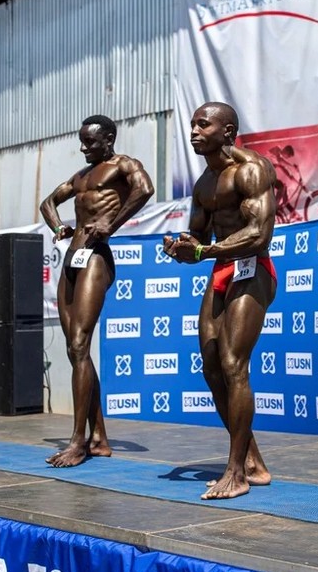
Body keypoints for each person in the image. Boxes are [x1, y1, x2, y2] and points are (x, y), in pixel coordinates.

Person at [164, 102, 278, 500]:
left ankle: (236, 474)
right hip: (222, 273)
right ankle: (253, 462)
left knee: (233, 364)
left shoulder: (252, 169)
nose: (193, 130)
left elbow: (259, 234)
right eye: (192, 124)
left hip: (253, 269)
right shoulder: (203, 185)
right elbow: (198, 238)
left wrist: (205, 253)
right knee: (212, 367)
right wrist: (181, 246)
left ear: (227, 131)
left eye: (203, 124)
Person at [40, 114, 154, 467]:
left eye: (90, 141)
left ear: (108, 138)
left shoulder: (123, 165)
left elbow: (145, 189)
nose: (83, 147)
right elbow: (48, 203)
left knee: (79, 344)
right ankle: (99, 437)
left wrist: (112, 222)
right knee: (77, 353)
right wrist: (59, 227)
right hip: (73, 257)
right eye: (82, 141)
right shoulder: (79, 177)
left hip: (96, 258)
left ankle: (78, 442)